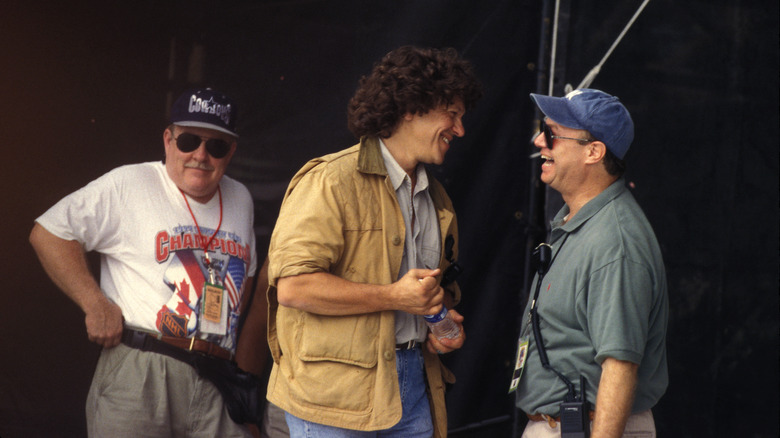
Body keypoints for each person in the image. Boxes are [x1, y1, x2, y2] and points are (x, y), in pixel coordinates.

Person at [264, 46, 482, 437]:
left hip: (414, 387)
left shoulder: (438, 200)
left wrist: (442, 319)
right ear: (412, 107)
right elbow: (294, 288)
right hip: (332, 399)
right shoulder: (331, 179)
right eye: (452, 113)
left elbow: (432, 291)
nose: (460, 130)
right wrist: (395, 297)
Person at [30, 87, 265, 437]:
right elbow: (48, 232)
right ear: (168, 140)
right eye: (189, 141)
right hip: (144, 368)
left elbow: (246, 279)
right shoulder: (131, 182)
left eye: (216, 146)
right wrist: (95, 303)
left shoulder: (241, 197)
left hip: (217, 376)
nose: (200, 155)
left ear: (230, 151)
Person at [514, 88, 668, 437]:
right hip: (567, 425)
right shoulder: (580, 222)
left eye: (552, 133)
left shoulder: (616, 242)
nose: (539, 140)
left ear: (594, 152)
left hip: (591, 426)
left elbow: (620, 366)